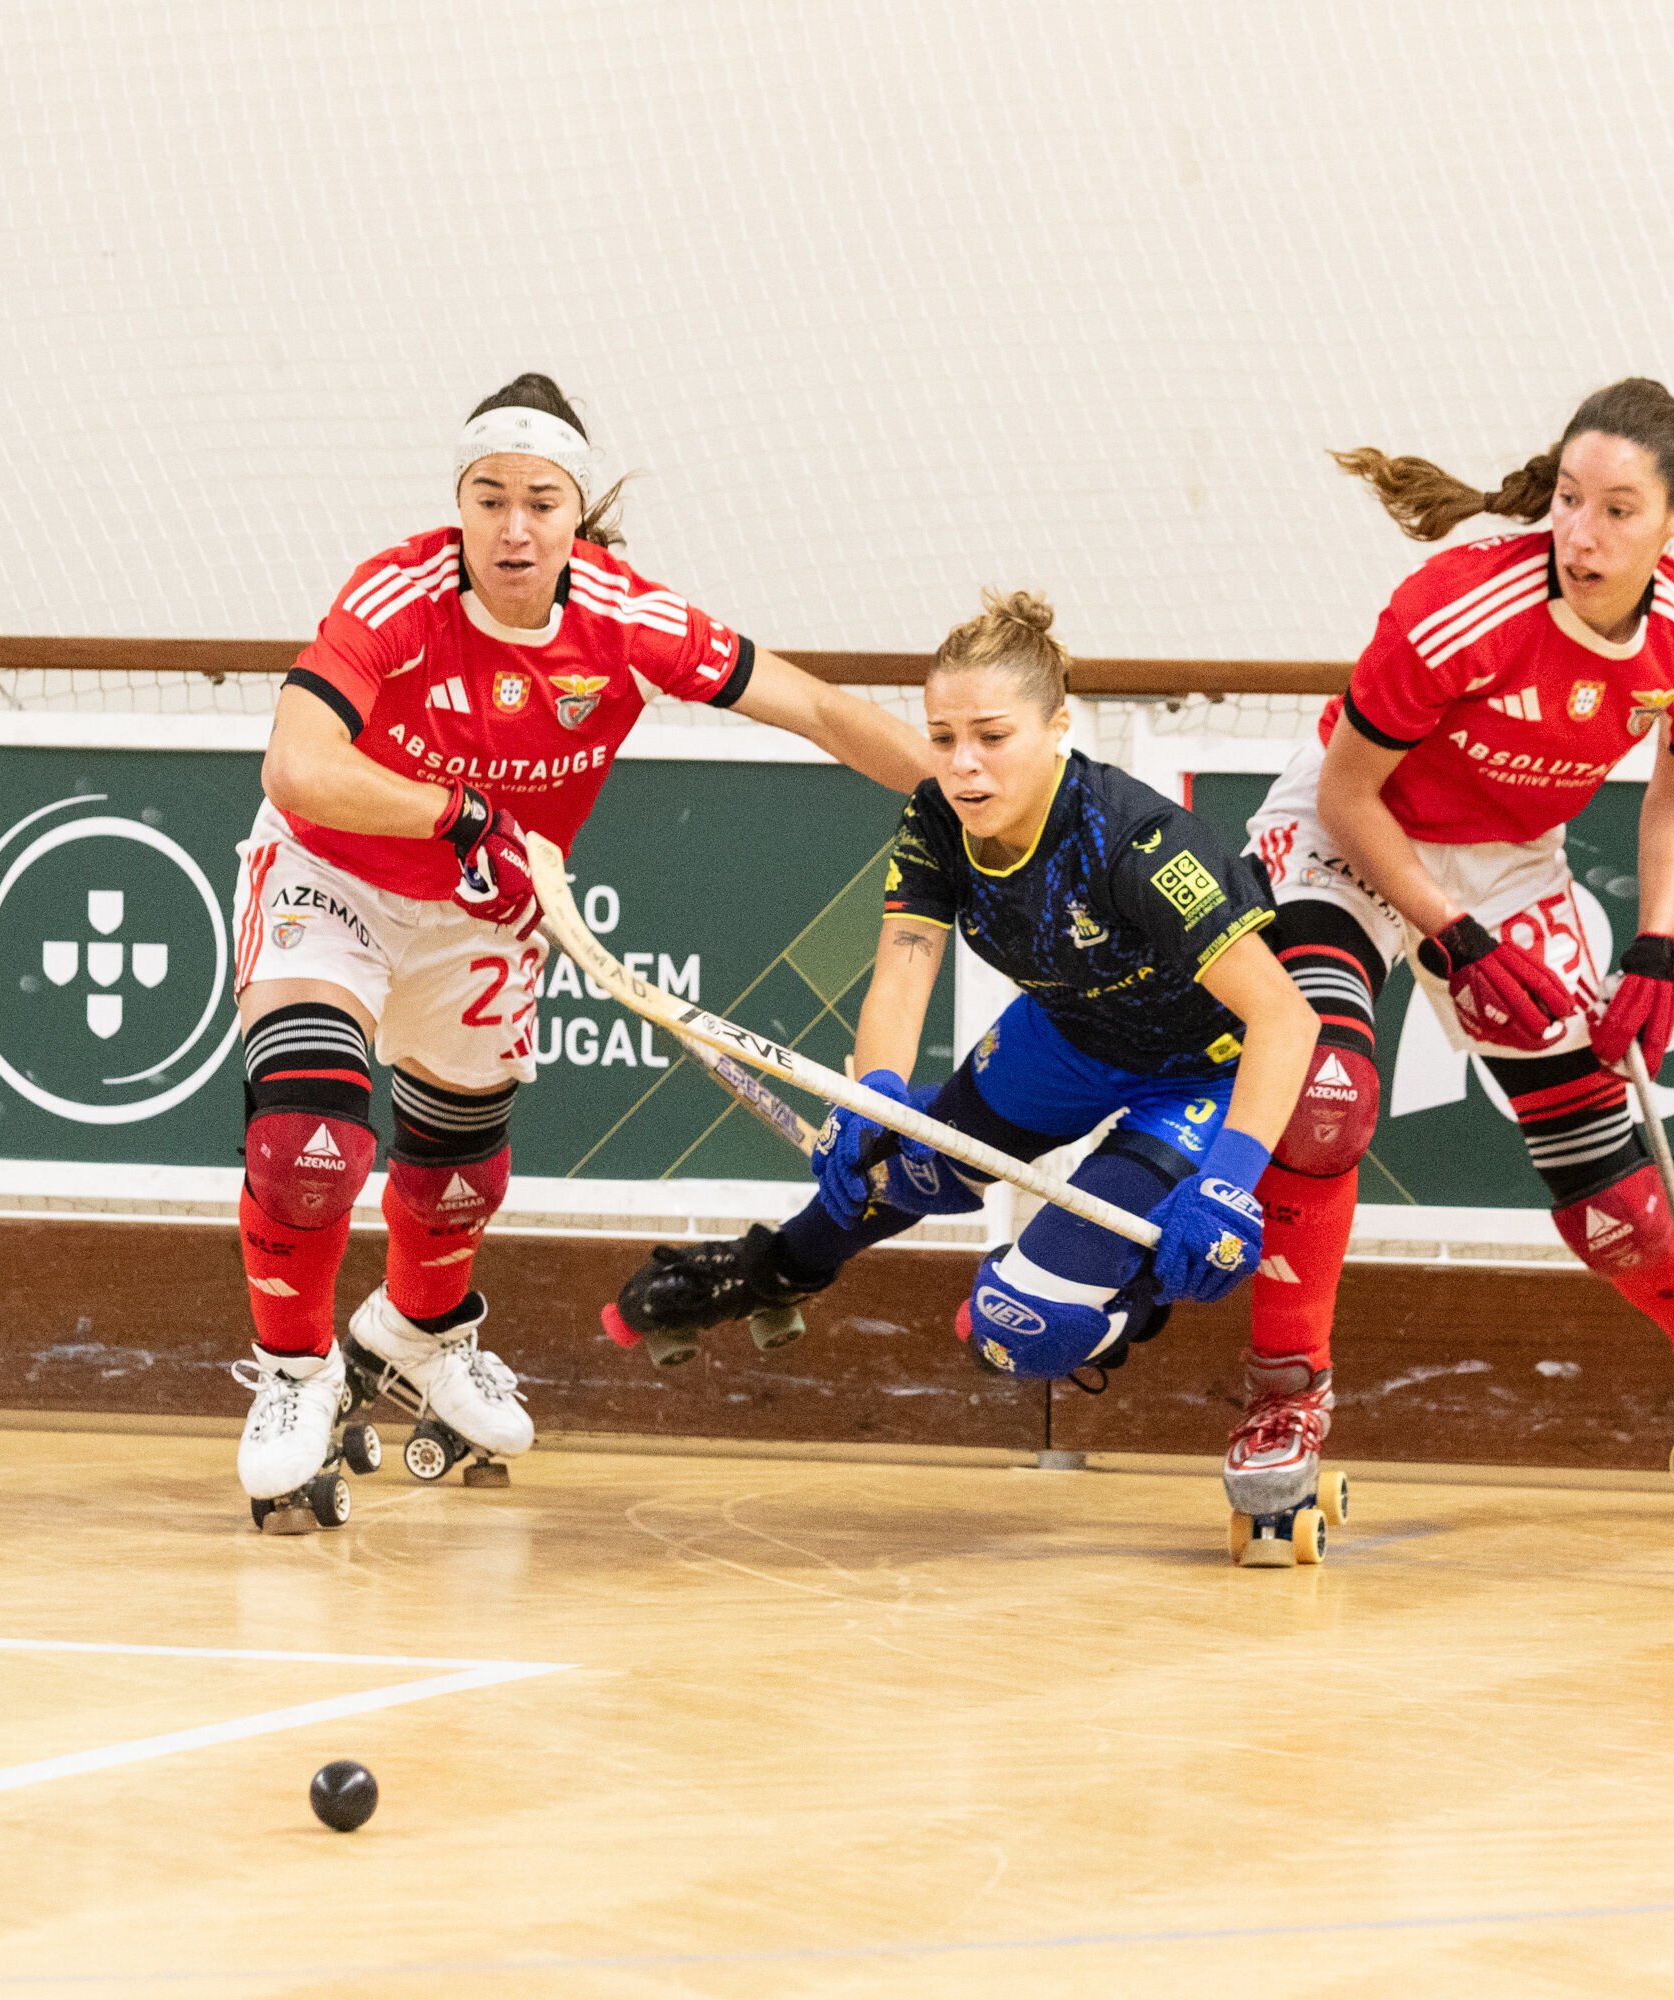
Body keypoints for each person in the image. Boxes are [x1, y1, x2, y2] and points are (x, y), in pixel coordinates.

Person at [227, 372, 935, 1530]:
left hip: (487, 909)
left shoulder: (626, 617)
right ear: (457, 503)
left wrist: (971, 801)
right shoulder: (396, 594)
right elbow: (296, 767)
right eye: (489, 496)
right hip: (333, 875)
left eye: (542, 500)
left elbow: (813, 708)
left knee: (460, 1170)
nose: (514, 526)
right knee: (309, 1141)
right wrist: (457, 813)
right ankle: (298, 1373)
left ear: (576, 512)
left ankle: (420, 1334)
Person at [1240, 378, 1674, 1527]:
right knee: (1325, 1097)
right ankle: (1285, 1396)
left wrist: (1658, 946)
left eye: (1619, 510)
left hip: (1512, 858)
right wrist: (1451, 930)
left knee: (1609, 1171)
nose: (1582, 533)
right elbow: (1349, 787)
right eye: (1570, 500)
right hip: (1348, 839)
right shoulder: (1459, 607)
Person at [604, 592, 1333, 1562]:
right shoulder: (938, 818)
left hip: (1195, 1072)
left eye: (991, 734)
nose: (962, 762)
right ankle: (781, 1263)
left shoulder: (1142, 844)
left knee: (1016, 1327)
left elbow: (1286, 1013)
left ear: (1058, 726)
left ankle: (1134, 1294)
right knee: (894, 1164)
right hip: (1065, 1035)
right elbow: (904, 963)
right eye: (943, 735)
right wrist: (879, 1094)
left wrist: (1231, 1180)